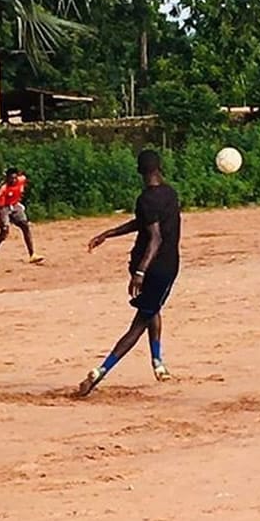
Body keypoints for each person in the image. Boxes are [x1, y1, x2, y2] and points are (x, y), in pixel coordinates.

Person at [78, 149, 181, 397]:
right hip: (164, 268)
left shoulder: (146, 199)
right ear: (160, 168)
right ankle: (103, 371)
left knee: (148, 312)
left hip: (150, 267)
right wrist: (109, 234)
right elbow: (149, 230)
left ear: (139, 171)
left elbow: (153, 236)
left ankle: (154, 363)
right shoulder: (170, 194)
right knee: (144, 317)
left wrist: (140, 272)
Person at [0, 168, 44, 265]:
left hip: (15, 205)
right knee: (4, 231)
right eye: (11, 178)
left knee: (25, 226)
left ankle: (32, 254)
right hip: (4, 207)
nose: (13, 180)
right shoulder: (3, 190)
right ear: (7, 179)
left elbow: (26, 178)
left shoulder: (21, 180)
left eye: (15, 178)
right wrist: (2, 219)